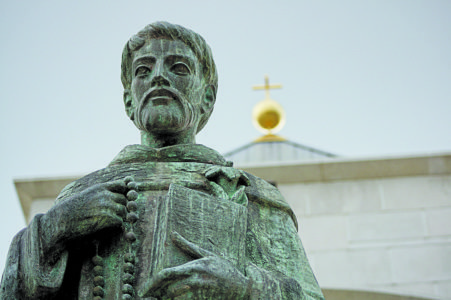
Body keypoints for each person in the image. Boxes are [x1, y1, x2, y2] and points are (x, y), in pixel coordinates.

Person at [0, 22, 324, 300]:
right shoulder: (80, 197)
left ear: (206, 98)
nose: (158, 77)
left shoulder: (247, 193)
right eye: (143, 70)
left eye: (178, 68)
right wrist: (54, 229)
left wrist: (245, 286)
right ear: (129, 100)